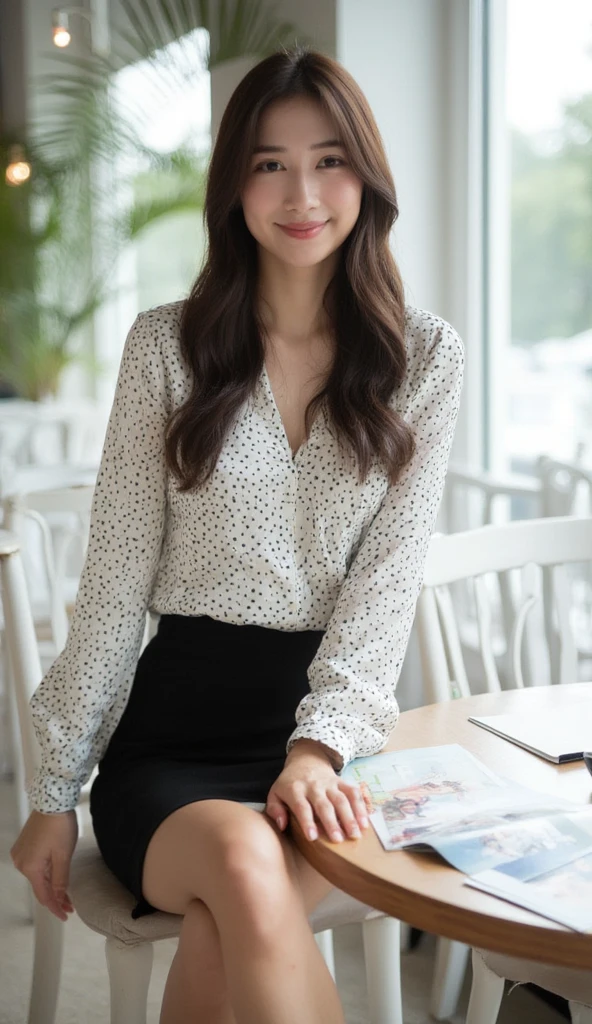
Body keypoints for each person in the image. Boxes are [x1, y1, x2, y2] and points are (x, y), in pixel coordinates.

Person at [10, 45, 464, 1024]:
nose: (300, 191)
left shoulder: (422, 357)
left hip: (337, 750)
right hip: (175, 749)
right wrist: (53, 790)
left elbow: (386, 588)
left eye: (329, 158)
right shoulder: (165, 348)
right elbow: (115, 580)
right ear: (234, 185)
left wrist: (316, 752)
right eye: (268, 162)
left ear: (367, 179)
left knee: (231, 924)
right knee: (244, 866)